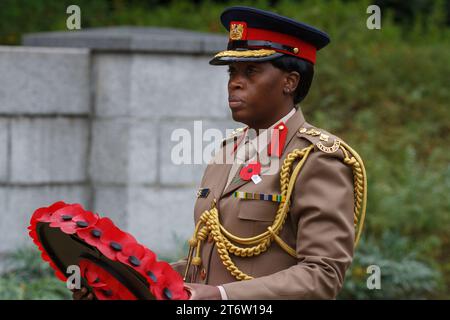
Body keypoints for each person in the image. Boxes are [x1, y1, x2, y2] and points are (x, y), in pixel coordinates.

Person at [73, 5, 366, 300]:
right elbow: (206, 265)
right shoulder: (229, 150)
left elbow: (323, 274)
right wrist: (123, 284)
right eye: (232, 71)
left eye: (251, 71)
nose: (235, 82)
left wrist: (223, 296)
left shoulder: (317, 159)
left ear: (290, 82)